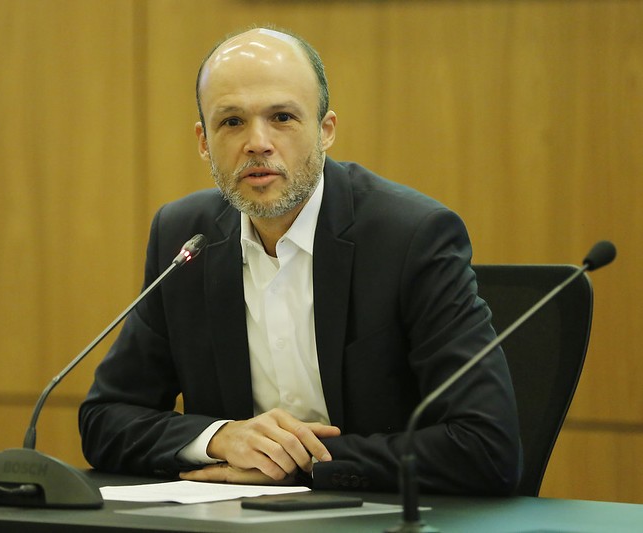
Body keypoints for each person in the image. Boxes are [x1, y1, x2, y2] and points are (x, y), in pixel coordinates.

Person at [79, 26, 522, 494]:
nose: (258, 142)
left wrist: (300, 464)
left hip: (377, 515)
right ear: (204, 140)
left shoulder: (410, 237)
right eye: (232, 122)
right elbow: (106, 418)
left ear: (325, 131)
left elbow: (487, 445)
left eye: (283, 117)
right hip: (235, 519)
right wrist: (219, 438)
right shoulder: (186, 238)